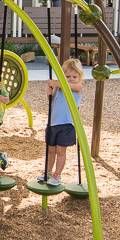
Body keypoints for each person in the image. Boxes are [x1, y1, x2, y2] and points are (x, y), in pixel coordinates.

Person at [41, 58, 83, 186]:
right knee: (50, 151)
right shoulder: (59, 90)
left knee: (60, 152)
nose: (71, 79)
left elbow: (67, 85)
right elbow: (53, 103)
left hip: (66, 125)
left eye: (74, 76)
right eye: (67, 76)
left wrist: (55, 82)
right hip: (53, 125)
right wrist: (50, 95)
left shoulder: (77, 88)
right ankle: (47, 172)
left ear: (79, 77)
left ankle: (57, 175)